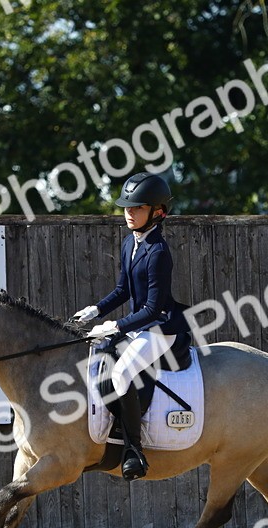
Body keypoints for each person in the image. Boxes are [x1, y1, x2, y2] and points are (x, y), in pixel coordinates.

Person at [72, 172, 189, 481]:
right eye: (127, 207)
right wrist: (95, 310)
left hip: (161, 328)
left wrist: (116, 324)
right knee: (99, 355)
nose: (128, 212)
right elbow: (123, 290)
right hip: (140, 325)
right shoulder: (129, 243)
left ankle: (133, 450)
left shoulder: (159, 253)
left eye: (137, 208)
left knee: (122, 374)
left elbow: (153, 308)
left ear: (158, 212)